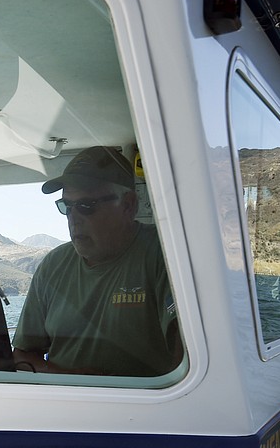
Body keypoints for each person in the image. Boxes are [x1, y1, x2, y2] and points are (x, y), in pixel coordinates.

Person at [12, 146, 181, 377]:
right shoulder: (52, 266)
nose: (74, 219)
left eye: (86, 206)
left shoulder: (164, 254)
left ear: (128, 205)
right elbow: (22, 355)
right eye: (67, 207)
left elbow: (186, 356)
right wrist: (70, 378)